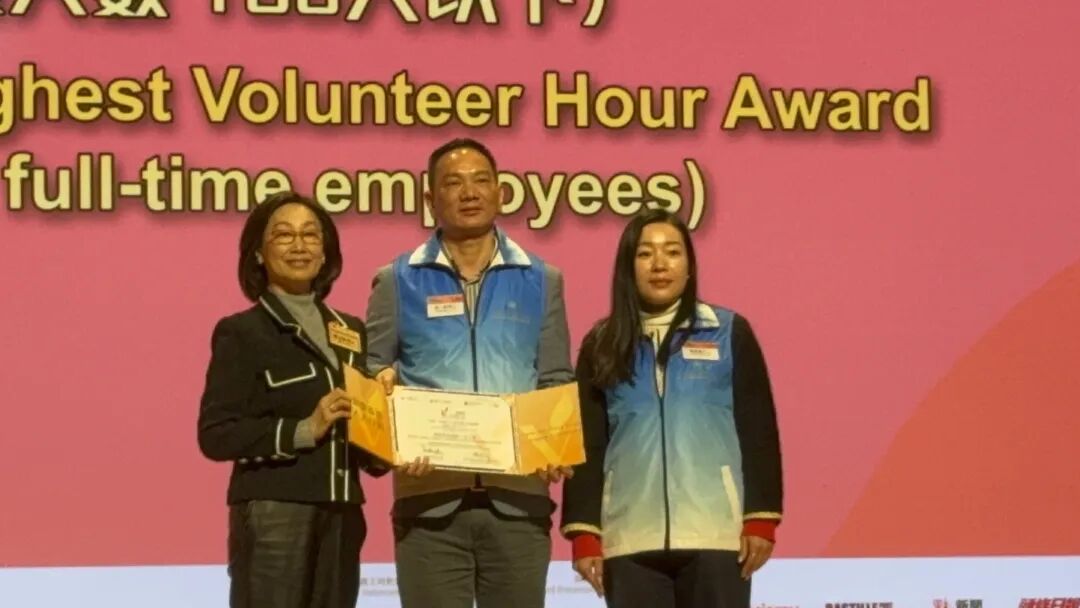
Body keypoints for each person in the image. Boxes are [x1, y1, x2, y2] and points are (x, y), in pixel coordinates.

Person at [364, 137, 575, 608]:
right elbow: (373, 370)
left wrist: (553, 445)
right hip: (428, 501)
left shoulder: (543, 279)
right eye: (453, 183)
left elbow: (556, 377)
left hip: (519, 501)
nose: (469, 192)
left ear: (501, 193)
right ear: (430, 198)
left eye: (481, 181)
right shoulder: (396, 279)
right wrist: (394, 432)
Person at [561, 208, 784, 608]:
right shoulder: (601, 343)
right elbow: (587, 443)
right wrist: (584, 532)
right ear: (628, 267)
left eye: (673, 252)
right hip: (629, 538)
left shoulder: (729, 331)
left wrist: (761, 518)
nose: (660, 264)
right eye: (645, 253)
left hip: (716, 535)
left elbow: (758, 431)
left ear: (689, 265)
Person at [197, 191, 388, 608]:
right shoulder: (242, 332)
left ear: (326, 251)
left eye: (310, 235)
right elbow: (216, 434)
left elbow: (362, 430)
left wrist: (389, 437)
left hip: (343, 512)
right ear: (258, 253)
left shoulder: (352, 330)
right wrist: (304, 430)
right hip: (275, 515)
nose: (299, 246)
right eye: (284, 235)